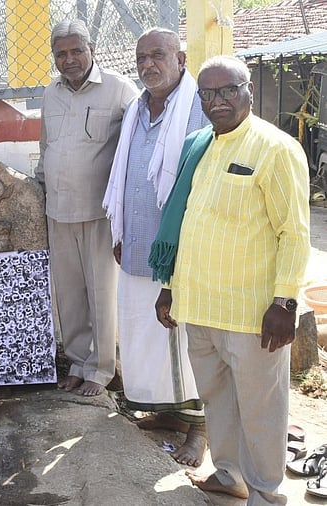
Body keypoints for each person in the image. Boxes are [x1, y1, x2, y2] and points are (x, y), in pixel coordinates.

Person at [152, 55, 310, 503]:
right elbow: (185, 222)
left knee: (261, 411)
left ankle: (266, 494)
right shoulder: (200, 145)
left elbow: (295, 233)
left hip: (252, 313)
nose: (217, 101)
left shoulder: (275, 149)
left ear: (249, 91)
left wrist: (285, 304)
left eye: (228, 91)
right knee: (217, 399)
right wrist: (170, 289)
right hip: (199, 306)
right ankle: (229, 474)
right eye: (208, 93)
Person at [101, 28, 208, 466]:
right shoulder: (135, 110)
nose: (148, 64)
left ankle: (199, 428)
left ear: (180, 58)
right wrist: (120, 233)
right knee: (144, 337)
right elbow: (124, 176)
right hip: (138, 243)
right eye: (142, 57)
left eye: (158, 55)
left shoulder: (202, 106)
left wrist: (186, 248)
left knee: (182, 339)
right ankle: (168, 416)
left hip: (181, 247)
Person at [36, 19, 138, 396]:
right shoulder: (51, 94)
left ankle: (102, 368)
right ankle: (78, 361)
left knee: (102, 293)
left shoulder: (120, 89)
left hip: (99, 213)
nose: (69, 59)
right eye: (61, 53)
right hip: (58, 211)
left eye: (76, 50)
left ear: (91, 49)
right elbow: (46, 146)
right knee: (69, 294)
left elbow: (135, 148)